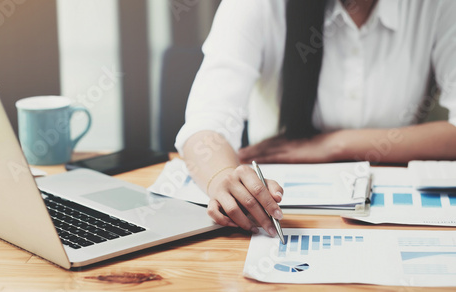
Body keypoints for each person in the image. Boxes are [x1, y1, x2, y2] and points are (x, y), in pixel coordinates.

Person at [174, 0, 456, 237]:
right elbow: (206, 121)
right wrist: (222, 177)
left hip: (393, 213)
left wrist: (334, 144)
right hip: (278, 208)